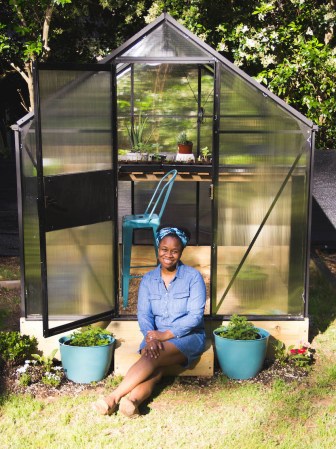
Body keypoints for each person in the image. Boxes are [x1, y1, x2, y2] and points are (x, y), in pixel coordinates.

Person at [92, 226, 206, 417]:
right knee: (156, 370)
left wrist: (164, 336)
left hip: (188, 336)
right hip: (154, 335)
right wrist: (151, 337)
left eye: (174, 250)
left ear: (181, 252)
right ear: (158, 249)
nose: (168, 255)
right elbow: (144, 315)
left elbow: (195, 316)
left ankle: (113, 397)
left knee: (154, 356)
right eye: (164, 249)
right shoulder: (148, 279)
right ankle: (131, 402)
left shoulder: (193, 278)